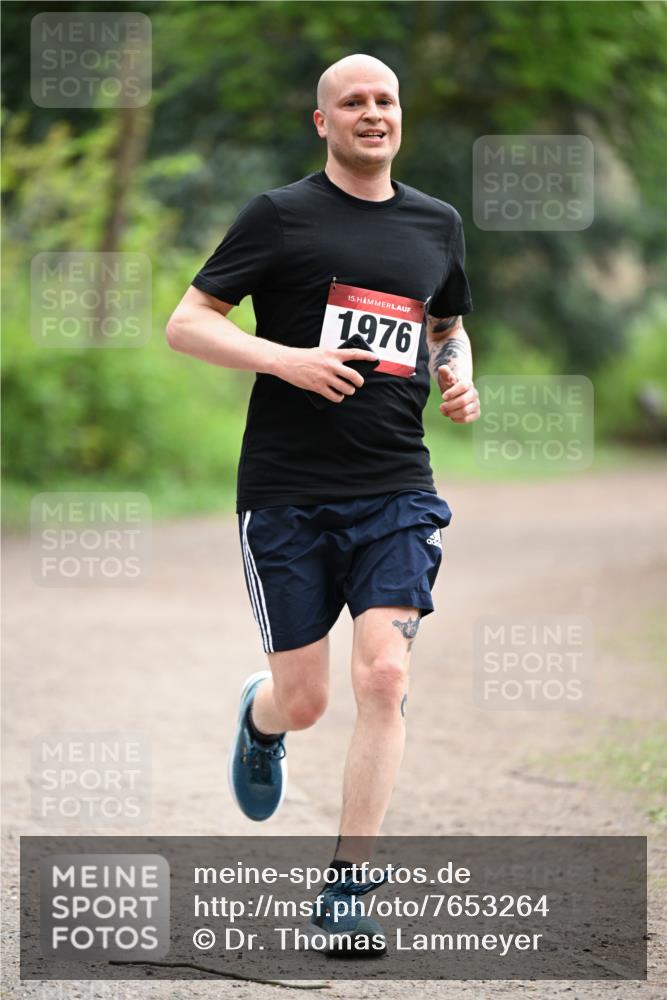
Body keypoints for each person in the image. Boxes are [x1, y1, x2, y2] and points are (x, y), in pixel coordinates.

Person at [166, 53, 480, 952]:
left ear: (399, 116)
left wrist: (459, 378)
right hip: (287, 493)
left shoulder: (436, 222)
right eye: (353, 102)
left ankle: (347, 889)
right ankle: (261, 720)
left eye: (384, 100)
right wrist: (286, 360)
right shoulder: (279, 215)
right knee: (304, 700)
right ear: (323, 122)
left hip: (395, 487)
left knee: (383, 676)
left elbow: (446, 328)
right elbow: (186, 322)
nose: (372, 113)